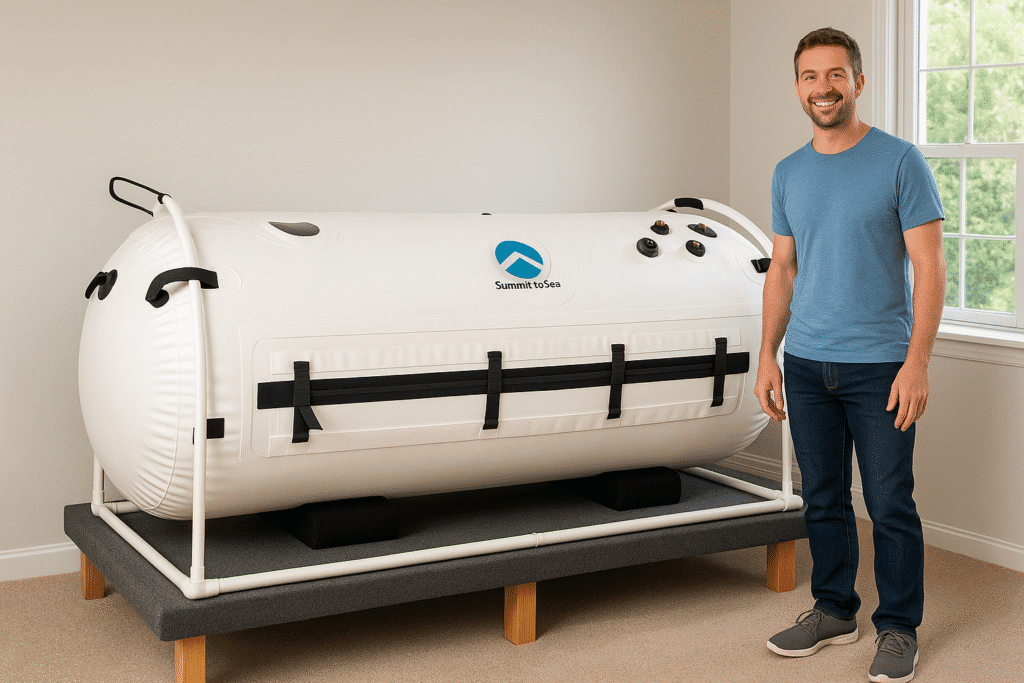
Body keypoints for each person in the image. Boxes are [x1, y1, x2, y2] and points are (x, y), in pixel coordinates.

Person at [755, 27, 946, 683]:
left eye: (836, 75)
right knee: (824, 499)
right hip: (806, 364)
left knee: (890, 501)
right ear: (799, 87)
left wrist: (917, 360)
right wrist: (766, 355)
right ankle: (834, 608)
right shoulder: (788, 171)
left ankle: (898, 628)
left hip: (880, 367)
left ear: (858, 82)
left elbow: (930, 266)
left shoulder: (899, 161)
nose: (823, 88)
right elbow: (782, 268)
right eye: (810, 76)